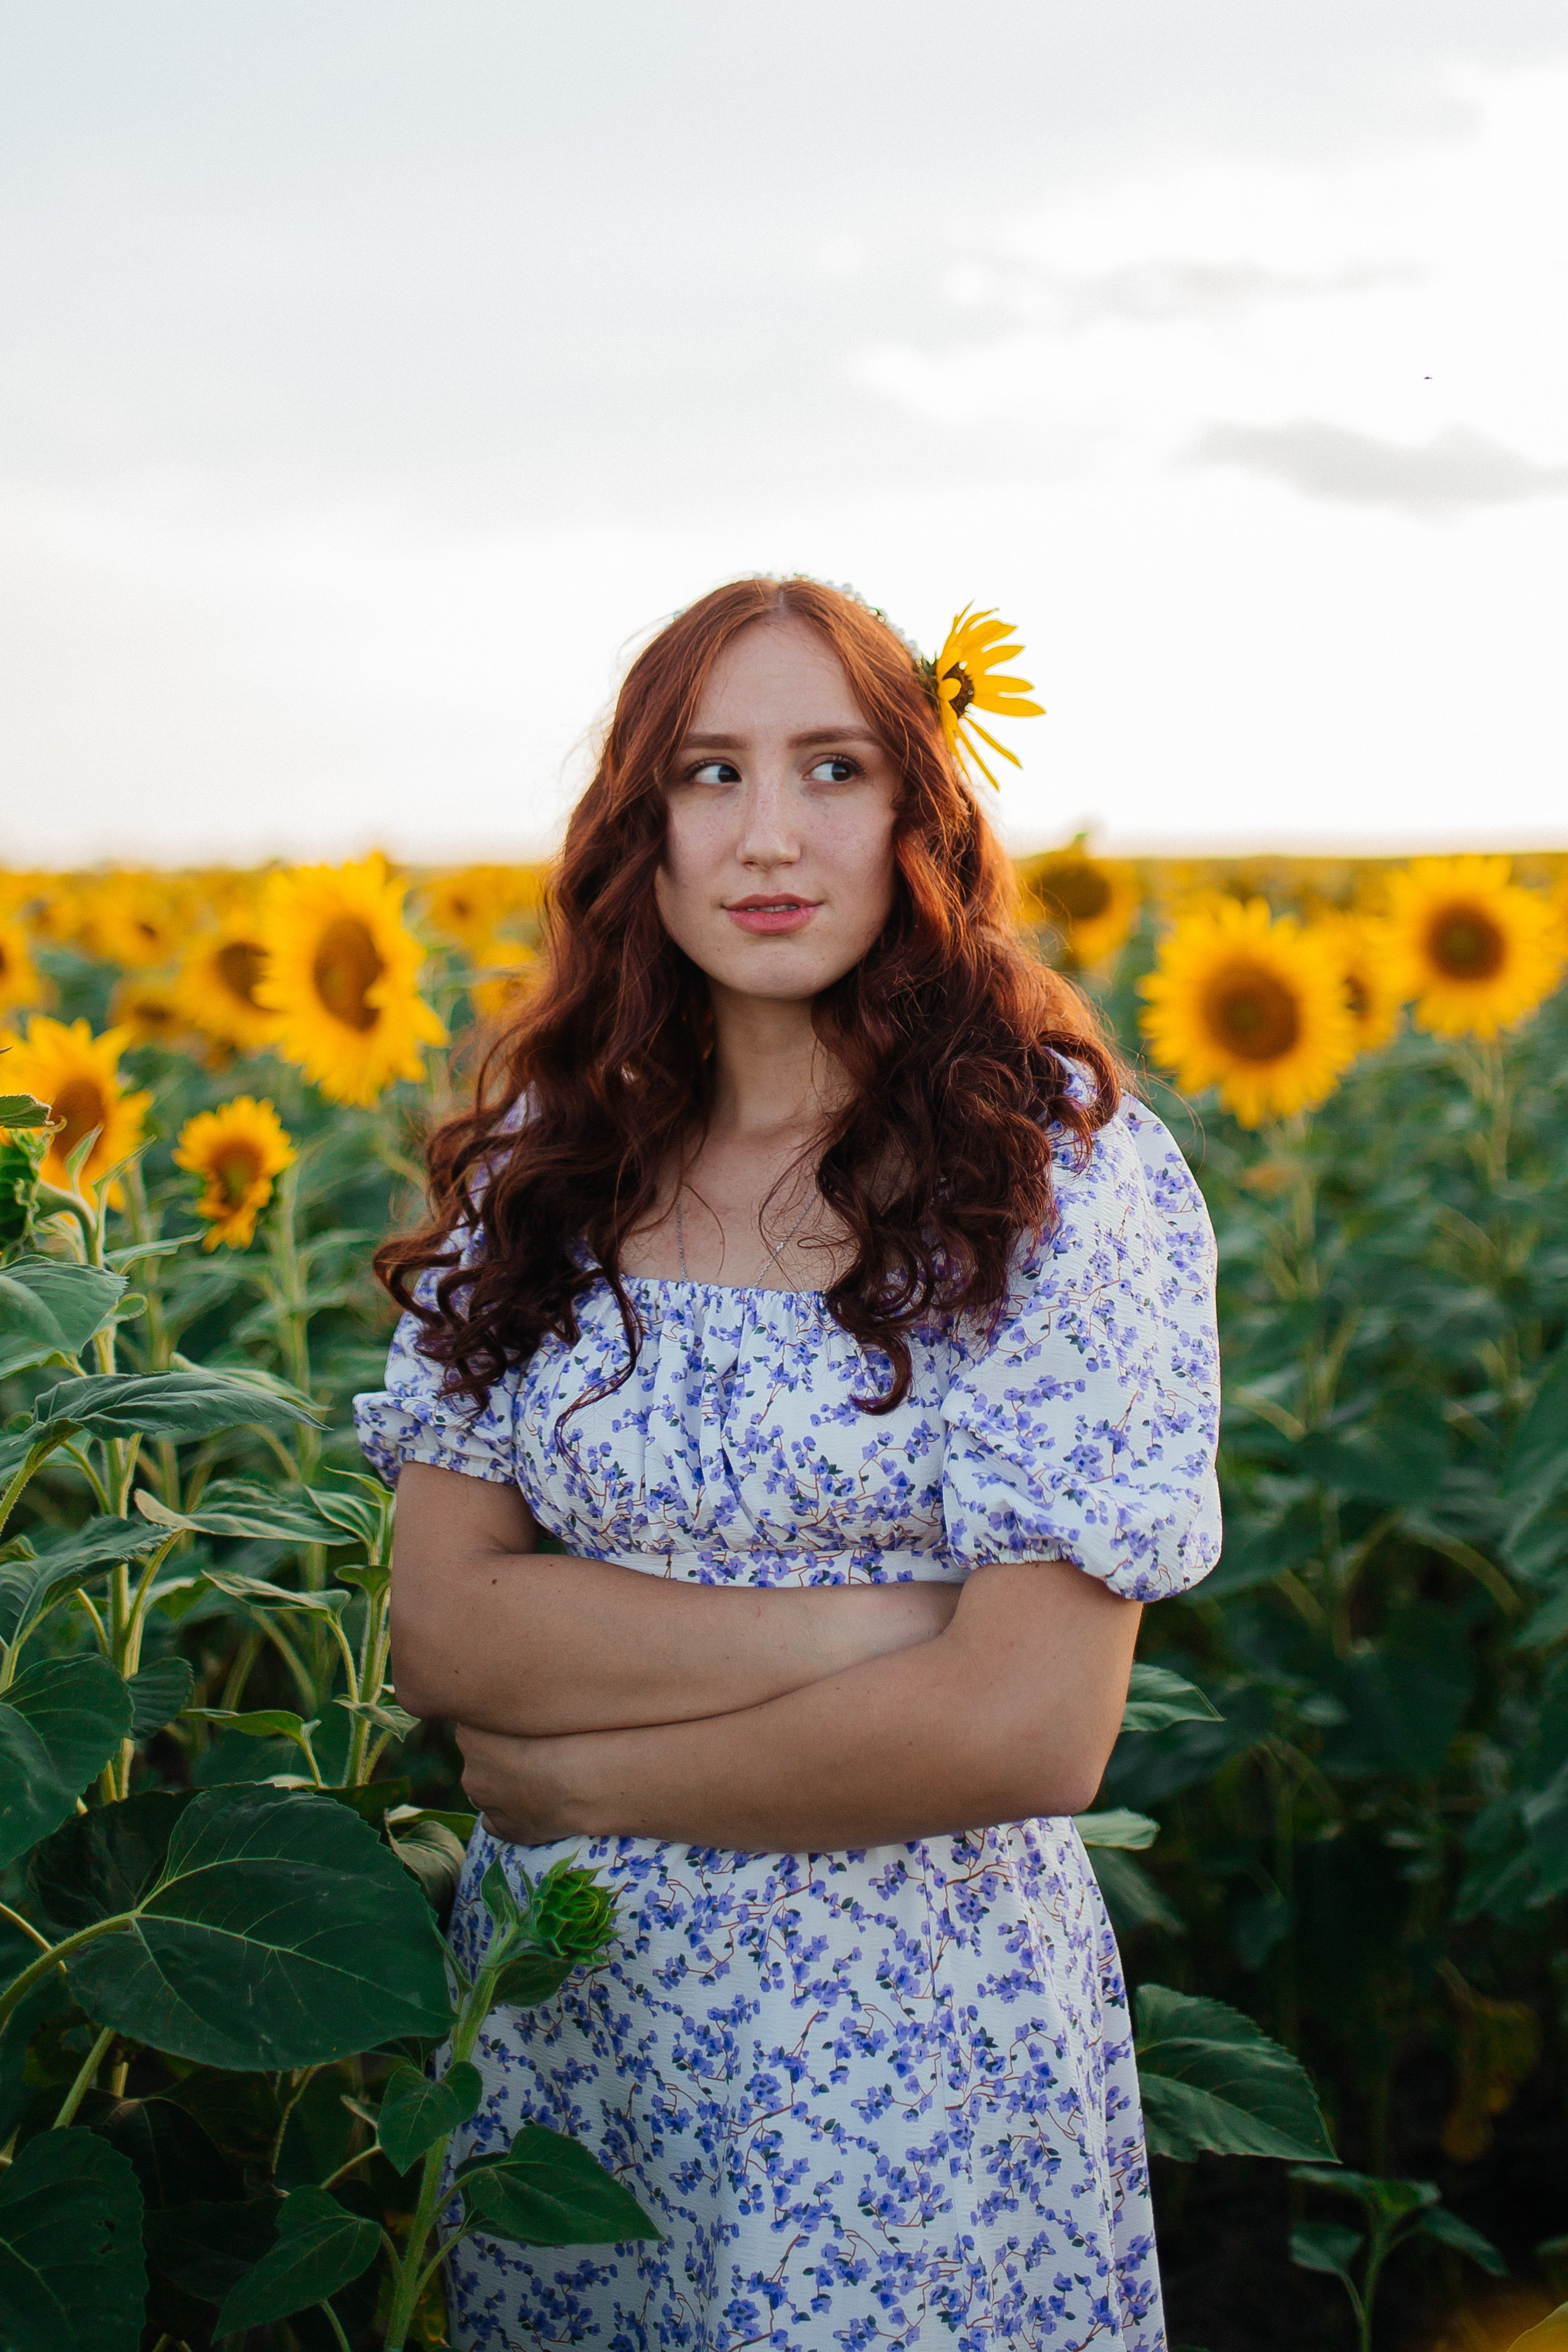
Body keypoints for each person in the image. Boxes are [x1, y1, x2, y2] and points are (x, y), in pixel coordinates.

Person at [356, 575, 1221, 2352]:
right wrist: (878, 1628)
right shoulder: (546, 1159)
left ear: (921, 809)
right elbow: (444, 1636)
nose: (770, 837)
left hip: (916, 2079)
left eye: (833, 769)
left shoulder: (1062, 1177)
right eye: (708, 773)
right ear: (639, 830)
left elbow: (1028, 1731)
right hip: (576, 2060)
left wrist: (580, 1783)